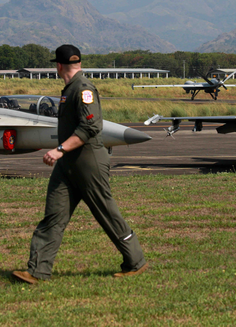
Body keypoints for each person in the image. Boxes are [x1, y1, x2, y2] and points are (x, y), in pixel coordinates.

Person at [12, 45, 147, 285]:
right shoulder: (70, 88)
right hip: (68, 165)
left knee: (106, 212)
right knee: (54, 215)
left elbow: (90, 127)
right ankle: (37, 271)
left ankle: (135, 261)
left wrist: (59, 150)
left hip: (88, 162)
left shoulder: (83, 89)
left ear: (58, 66)